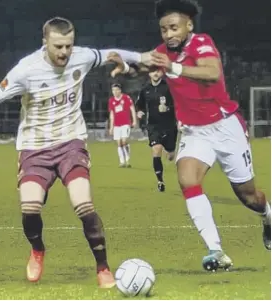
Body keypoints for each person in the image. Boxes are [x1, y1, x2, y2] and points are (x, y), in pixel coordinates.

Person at [0, 17, 147, 286]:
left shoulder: (82, 57)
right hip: (34, 148)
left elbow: (111, 55)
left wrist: (142, 56)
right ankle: (38, 249)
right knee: (30, 207)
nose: (64, 52)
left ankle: (103, 268)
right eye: (58, 46)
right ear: (45, 44)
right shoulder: (25, 71)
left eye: (68, 46)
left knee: (83, 204)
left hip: (70, 142)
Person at [108, 0, 271, 271]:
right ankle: (216, 251)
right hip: (196, 132)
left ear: (188, 25)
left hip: (225, 127)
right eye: (163, 30)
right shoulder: (163, 52)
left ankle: (268, 217)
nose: (169, 34)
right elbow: (146, 65)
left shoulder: (202, 43)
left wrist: (174, 68)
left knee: (249, 196)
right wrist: (125, 68)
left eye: (174, 27)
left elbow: (211, 72)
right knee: (187, 179)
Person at [136, 68, 177, 192]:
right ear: (149, 73)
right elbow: (139, 104)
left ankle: (170, 150)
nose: (155, 73)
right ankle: (160, 181)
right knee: (156, 149)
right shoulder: (145, 89)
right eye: (153, 71)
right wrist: (140, 111)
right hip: (153, 126)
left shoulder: (168, 87)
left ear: (162, 73)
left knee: (170, 156)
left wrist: (168, 109)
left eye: (158, 71)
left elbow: (178, 103)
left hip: (169, 126)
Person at [108, 83, 137, 167]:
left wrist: (134, 120)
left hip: (125, 123)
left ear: (120, 90)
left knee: (124, 141)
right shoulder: (111, 100)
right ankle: (122, 161)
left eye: (117, 90)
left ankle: (127, 159)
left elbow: (132, 109)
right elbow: (112, 114)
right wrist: (111, 127)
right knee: (119, 143)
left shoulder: (126, 98)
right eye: (113, 90)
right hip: (116, 125)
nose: (115, 92)